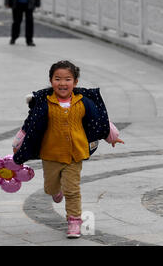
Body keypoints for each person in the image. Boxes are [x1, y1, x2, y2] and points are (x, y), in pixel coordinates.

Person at [12, 60, 124, 238]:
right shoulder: (44, 104)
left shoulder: (84, 102)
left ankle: (74, 222)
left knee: (73, 190)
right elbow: (30, 126)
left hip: (75, 153)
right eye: (57, 79)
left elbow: (99, 120)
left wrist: (112, 136)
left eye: (67, 79)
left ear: (75, 82)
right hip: (50, 154)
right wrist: (18, 143)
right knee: (50, 188)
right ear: (51, 81)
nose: (62, 83)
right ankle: (57, 190)